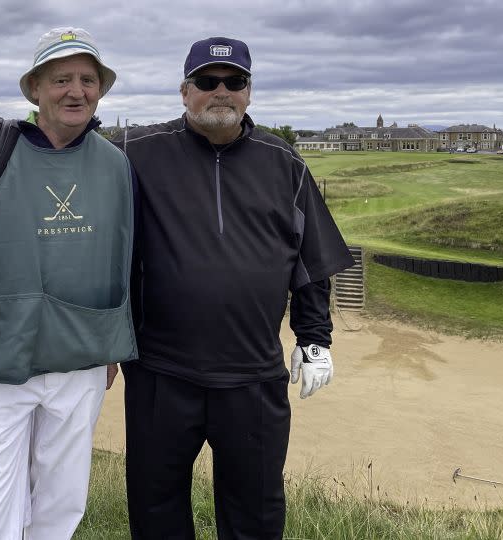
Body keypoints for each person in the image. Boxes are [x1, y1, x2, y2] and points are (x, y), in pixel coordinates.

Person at [114, 37, 355, 539]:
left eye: (234, 81)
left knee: (256, 515)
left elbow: (311, 259)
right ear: (185, 92)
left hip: (253, 375)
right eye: (207, 82)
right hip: (160, 371)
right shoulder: (135, 152)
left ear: (248, 92)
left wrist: (315, 338)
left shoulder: (283, 161)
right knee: (156, 512)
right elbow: (64, 151)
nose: (220, 91)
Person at [0, 27, 137, 539]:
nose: (76, 91)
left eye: (88, 79)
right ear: (34, 88)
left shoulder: (116, 164)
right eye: (61, 78)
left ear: (101, 91)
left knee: (61, 506)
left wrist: (113, 345)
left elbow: (124, 260)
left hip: (82, 355)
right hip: (1, 353)